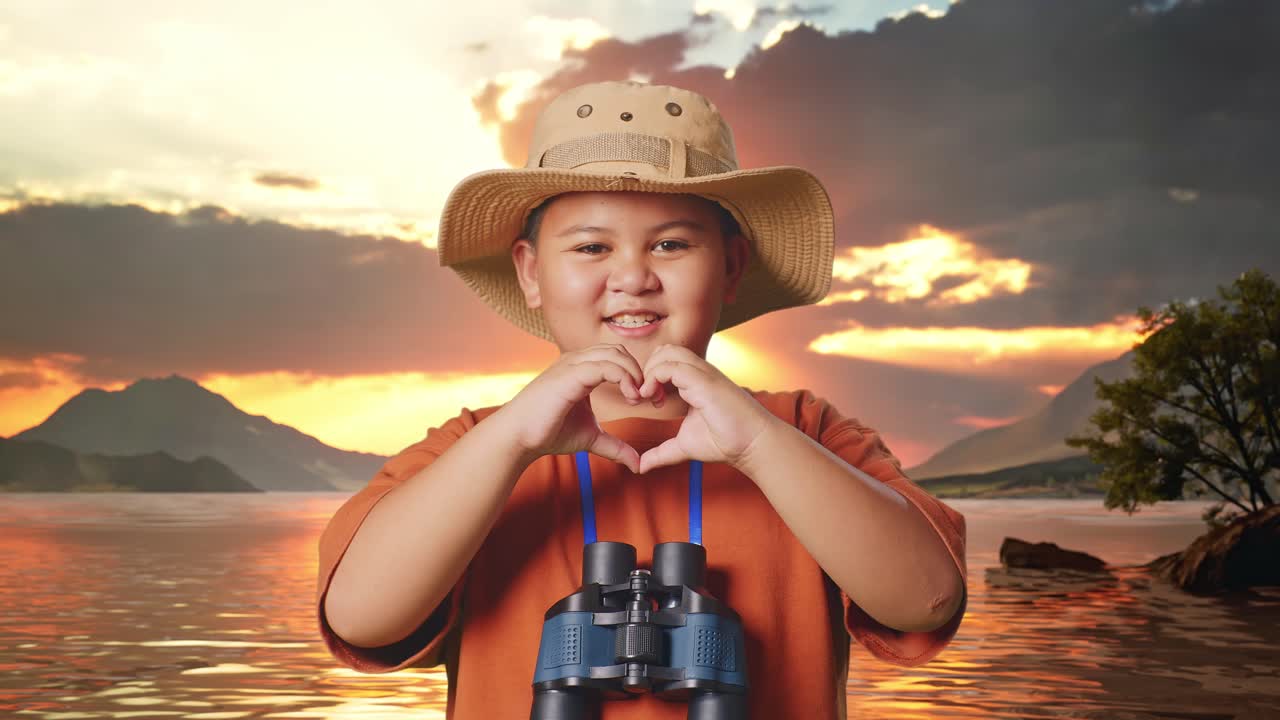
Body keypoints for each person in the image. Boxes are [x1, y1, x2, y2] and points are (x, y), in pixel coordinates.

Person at [316, 80, 967, 719]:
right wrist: (511, 443)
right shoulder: (475, 447)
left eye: (672, 244)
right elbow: (363, 619)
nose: (632, 277)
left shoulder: (805, 432)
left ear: (732, 268)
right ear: (531, 271)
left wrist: (761, 445)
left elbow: (927, 601)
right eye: (591, 246)